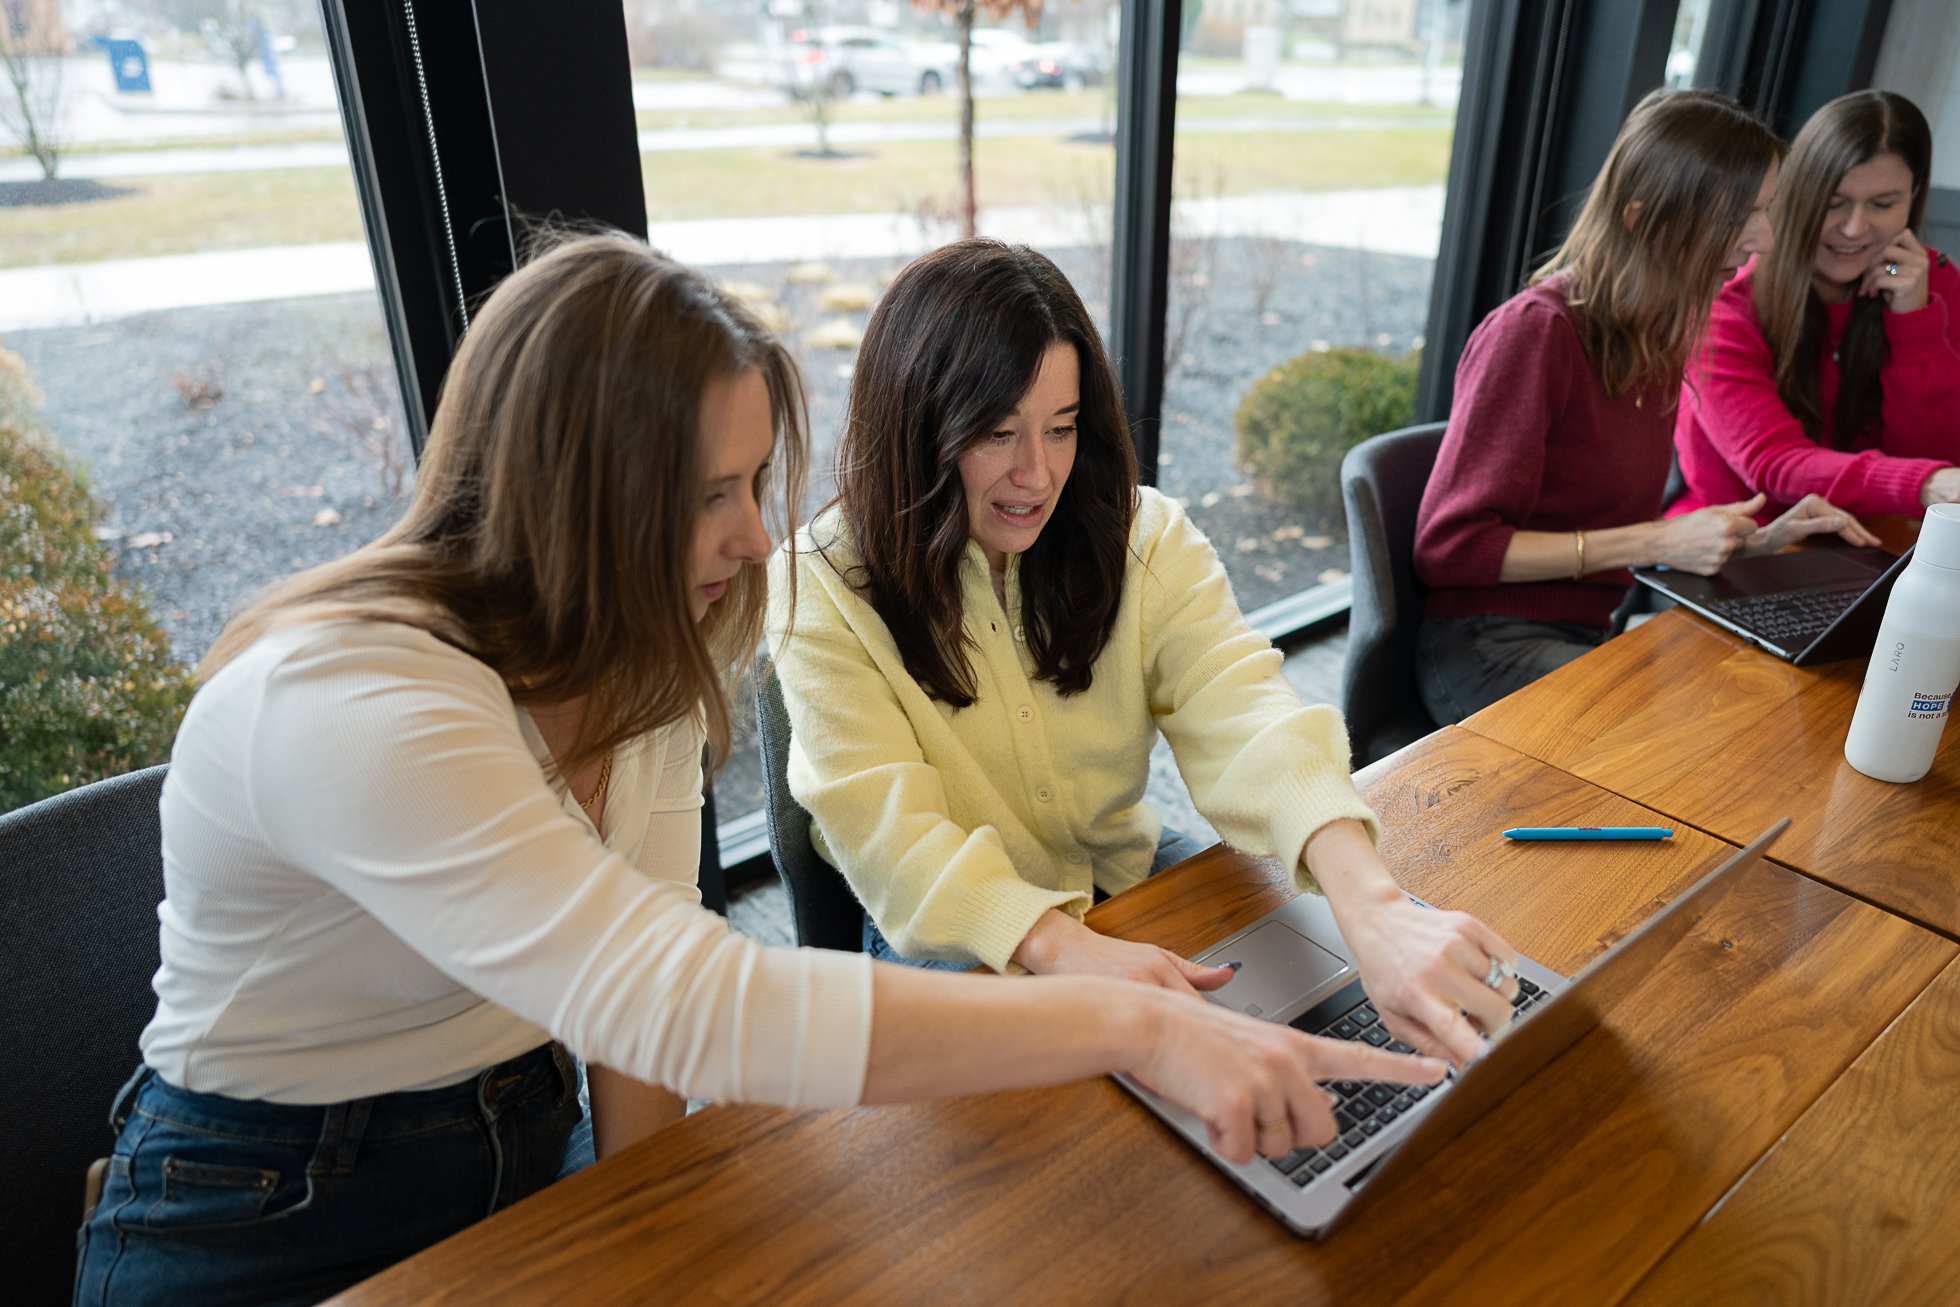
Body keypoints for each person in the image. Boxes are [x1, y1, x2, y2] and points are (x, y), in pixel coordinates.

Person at [72, 235, 1442, 1307]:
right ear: (581, 494)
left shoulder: (647, 664)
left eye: (754, 480)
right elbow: (693, 1000)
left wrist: (660, 1232)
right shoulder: (353, 700)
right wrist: (1137, 1025)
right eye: (712, 492)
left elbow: (638, 1023)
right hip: (258, 1200)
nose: (755, 530)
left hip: (523, 1125)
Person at [766, 237, 1522, 1075]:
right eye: (997, 432)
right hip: (956, 928)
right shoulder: (819, 586)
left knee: (1308, 1030)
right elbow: (892, 841)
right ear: (918, 428)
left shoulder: (1143, 535)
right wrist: (1064, 949)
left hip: (1122, 877)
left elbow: (1244, 715)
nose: (1039, 473)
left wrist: (1375, 905)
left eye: (1062, 427)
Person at [1413, 89, 1876, 725]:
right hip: (1488, 646)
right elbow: (1450, 549)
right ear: (1642, 219)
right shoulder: (1536, 331)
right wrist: (1660, 537)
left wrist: (1754, 544)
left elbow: (1610, 533)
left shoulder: (1653, 337)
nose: (1763, 239)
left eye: (1765, 211)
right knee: (1705, 729)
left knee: (1769, 713)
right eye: (1741, 213)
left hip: (1584, 636)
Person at [1673, 89, 1960, 520]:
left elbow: (1935, 456)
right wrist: (1924, 483)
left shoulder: (1932, 281)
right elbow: (1773, 462)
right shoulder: (1725, 300)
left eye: (1883, 204)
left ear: (1914, 196)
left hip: (1875, 544)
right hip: (1743, 544)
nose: (1854, 228)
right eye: (1834, 203)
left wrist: (1913, 322)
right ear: (1794, 194)